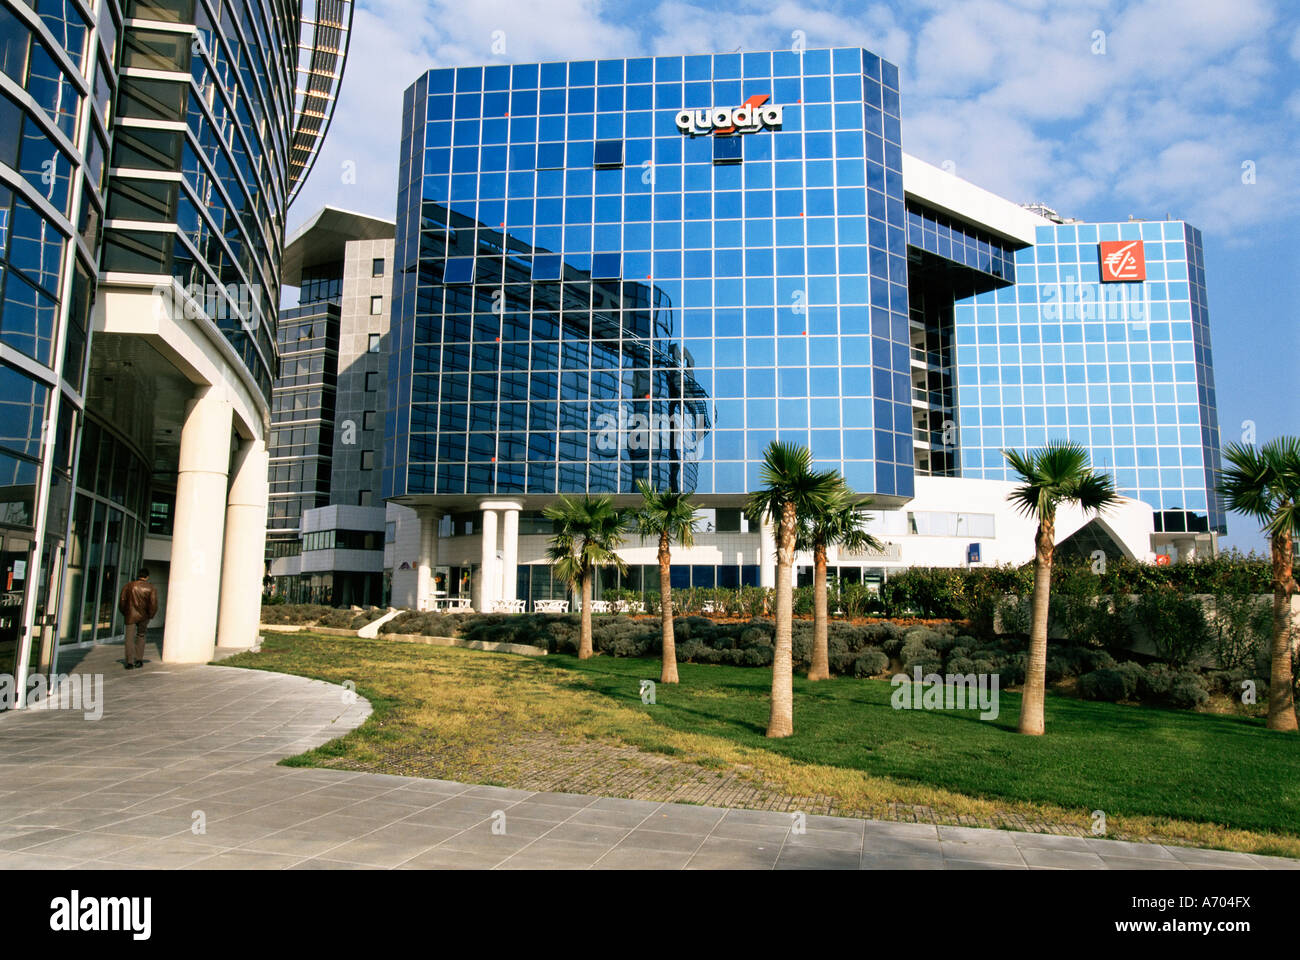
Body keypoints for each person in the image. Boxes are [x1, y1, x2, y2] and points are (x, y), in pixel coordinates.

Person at [119, 568, 158, 670]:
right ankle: (139, 660)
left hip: (130, 615)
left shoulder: (128, 586)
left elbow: (122, 601)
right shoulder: (151, 588)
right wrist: (151, 615)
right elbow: (153, 604)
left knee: (129, 638)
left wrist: (125, 612)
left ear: (138, 575)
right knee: (141, 636)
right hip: (144, 616)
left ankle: (129, 662)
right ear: (147, 577)